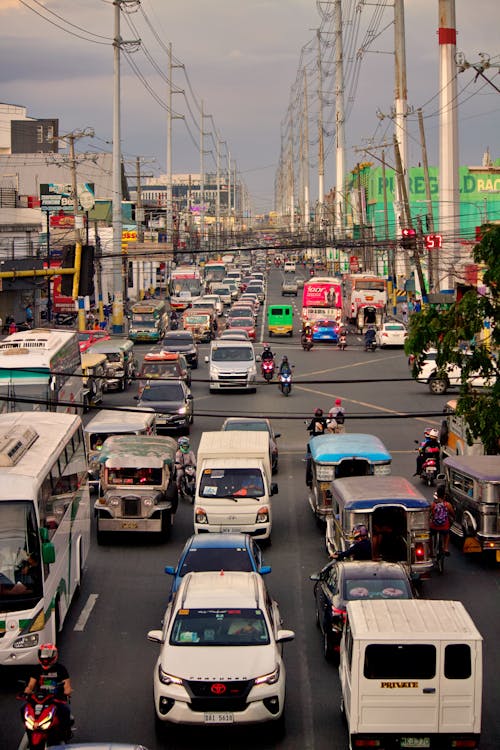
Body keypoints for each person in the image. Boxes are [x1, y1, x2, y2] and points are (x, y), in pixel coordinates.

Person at [24, 644, 72, 739]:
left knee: (66, 711)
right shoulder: (36, 669)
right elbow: (31, 685)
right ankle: (28, 730)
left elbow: (67, 686)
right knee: (23, 709)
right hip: (39, 699)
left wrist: (66, 692)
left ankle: (65, 732)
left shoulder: (61, 669)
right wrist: (26, 693)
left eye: (48, 654)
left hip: (56, 699)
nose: (45, 657)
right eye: (43, 654)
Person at [429, 485, 454, 556]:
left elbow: (429, 513)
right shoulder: (448, 505)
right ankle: (446, 548)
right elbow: (452, 514)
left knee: (430, 535)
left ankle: (431, 551)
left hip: (434, 527)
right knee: (447, 534)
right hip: (444, 527)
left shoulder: (433, 504)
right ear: (444, 496)